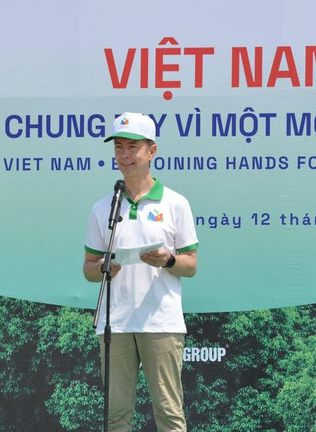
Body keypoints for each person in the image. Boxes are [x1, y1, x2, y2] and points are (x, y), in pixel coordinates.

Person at [83, 112, 198, 432]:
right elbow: (88, 270)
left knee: (169, 415)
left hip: (161, 321)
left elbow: (191, 265)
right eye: (118, 147)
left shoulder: (176, 204)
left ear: (152, 151)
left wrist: (168, 261)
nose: (124, 155)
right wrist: (104, 267)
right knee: (116, 417)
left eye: (132, 146)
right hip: (115, 323)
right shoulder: (103, 208)